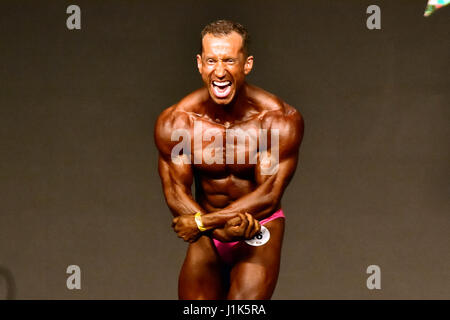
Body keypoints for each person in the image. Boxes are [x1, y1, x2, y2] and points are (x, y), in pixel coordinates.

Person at [154, 19, 304, 300]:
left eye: (229, 61)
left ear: (246, 64)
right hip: (207, 235)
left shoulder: (274, 120)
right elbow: (176, 190)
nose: (219, 72)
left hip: (257, 228)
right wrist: (214, 228)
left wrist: (203, 223)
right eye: (211, 61)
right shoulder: (178, 123)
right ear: (199, 64)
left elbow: (268, 194)